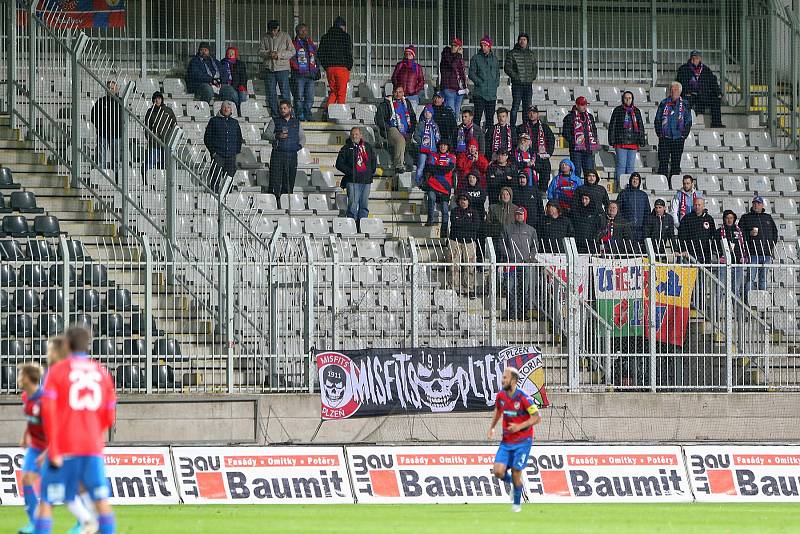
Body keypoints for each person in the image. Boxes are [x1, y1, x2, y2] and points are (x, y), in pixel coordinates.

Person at [36, 327, 117, 534]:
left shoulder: (58, 371)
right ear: (87, 344)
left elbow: (47, 413)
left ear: (66, 345)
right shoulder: (102, 372)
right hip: (92, 447)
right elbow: (109, 417)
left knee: (46, 501)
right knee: (101, 501)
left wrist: (52, 448)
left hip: (64, 447)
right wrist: (90, 431)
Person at [488, 366, 541, 513]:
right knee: (498, 471)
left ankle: (516, 506)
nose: (502, 380)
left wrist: (519, 426)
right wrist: (492, 427)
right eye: (502, 377)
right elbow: (498, 411)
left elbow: (537, 417)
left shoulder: (524, 397)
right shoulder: (501, 396)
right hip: (506, 441)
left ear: (514, 380)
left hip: (523, 441)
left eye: (505, 377)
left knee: (517, 470)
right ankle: (515, 485)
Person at [17, 363, 47, 534]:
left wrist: (47, 452)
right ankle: (34, 523)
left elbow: (55, 428)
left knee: (61, 489)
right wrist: (24, 436)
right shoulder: (26, 397)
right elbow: (31, 420)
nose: (19, 379)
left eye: (21, 375)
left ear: (29, 378)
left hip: (49, 447)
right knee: (26, 479)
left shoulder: (44, 400)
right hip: (35, 446)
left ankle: (85, 519)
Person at [264, 100, 306, 203]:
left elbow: (303, 137)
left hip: (292, 155)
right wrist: (276, 136)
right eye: (281, 108)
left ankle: (286, 203)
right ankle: (274, 202)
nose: (282, 110)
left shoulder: (296, 122)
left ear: (290, 109)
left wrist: (298, 147)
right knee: (275, 179)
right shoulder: (274, 120)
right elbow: (265, 135)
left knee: (289, 179)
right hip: (278, 154)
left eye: (284, 108)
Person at [502, 206, 539, 320]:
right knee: (510, 288)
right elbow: (502, 243)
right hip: (511, 264)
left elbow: (535, 246)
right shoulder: (507, 228)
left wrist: (530, 257)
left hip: (525, 264)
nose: (519, 216)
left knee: (525, 289)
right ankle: (511, 314)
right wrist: (509, 256)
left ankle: (524, 314)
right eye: (517, 214)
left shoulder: (531, 230)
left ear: (525, 216)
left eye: (521, 214)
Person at [335, 127, 377, 225]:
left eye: (356, 134)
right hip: (352, 181)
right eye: (353, 134)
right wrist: (350, 172)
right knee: (352, 206)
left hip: (366, 181)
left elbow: (373, 161)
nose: (354, 136)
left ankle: (363, 226)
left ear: (361, 135)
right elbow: (339, 164)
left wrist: (371, 172)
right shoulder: (346, 148)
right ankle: (351, 226)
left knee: (364, 206)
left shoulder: (368, 147)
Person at [739, 196, 779, 291]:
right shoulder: (746, 217)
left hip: (766, 254)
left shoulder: (768, 217)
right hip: (752, 253)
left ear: (762, 205)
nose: (756, 205)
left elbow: (775, 233)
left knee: (763, 279)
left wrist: (771, 246)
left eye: (758, 203)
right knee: (750, 279)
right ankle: (748, 302)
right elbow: (739, 233)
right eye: (754, 203)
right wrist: (749, 234)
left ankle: (762, 302)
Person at [608, 90, 646, 189]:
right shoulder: (618, 110)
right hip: (621, 142)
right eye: (626, 98)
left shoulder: (636, 111)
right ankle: (620, 186)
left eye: (629, 98)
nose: (628, 100)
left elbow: (640, 126)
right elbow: (613, 125)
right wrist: (611, 140)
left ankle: (630, 186)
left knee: (630, 166)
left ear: (632, 99)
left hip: (633, 142)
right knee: (621, 165)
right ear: (623, 99)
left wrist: (642, 139)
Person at [374, 85, 416, 174]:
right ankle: (398, 165)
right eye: (396, 92)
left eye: (400, 92)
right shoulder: (386, 104)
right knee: (400, 140)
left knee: (410, 152)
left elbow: (412, 117)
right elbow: (378, 119)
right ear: (393, 92)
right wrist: (388, 127)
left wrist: (411, 130)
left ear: (403, 93)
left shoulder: (406, 103)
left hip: (406, 129)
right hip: (391, 128)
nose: (398, 94)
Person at [677, 50, 724, 128]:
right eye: (693, 57)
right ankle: (684, 123)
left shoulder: (705, 69)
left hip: (703, 94)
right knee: (686, 101)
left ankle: (716, 124)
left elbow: (713, 82)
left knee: (715, 100)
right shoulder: (684, 68)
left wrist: (718, 92)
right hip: (690, 95)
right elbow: (681, 81)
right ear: (690, 58)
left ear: (700, 59)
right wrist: (686, 92)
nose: (695, 59)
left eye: (697, 58)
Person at [655, 81, 693, 178]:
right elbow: (657, 119)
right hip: (665, 138)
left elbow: (688, 121)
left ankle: (674, 184)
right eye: (671, 89)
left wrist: (683, 135)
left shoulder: (685, 104)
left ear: (680, 91)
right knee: (663, 162)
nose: (673, 91)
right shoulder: (664, 103)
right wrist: (660, 133)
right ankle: (662, 184)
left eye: (675, 89)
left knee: (676, 164)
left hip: (678, 138)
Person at [204, 100, 243, 192]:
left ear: (231, 110)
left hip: (231, 156)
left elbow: (239, 138)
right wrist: (213, 153)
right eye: (224, 107)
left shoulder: (235, 122)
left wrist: (235, 152)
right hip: (218, 155)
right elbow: (207, 138)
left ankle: (227, 200)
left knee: (228, 181)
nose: (226, 109)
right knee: (215, 179)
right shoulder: (213, 121)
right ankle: (213, 199)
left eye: (228, 108)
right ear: (221, 108)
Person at [258, 20, 294, 118]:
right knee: (271, 93)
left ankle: (288, 114)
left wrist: (279, 55)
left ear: (278, 28)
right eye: (271, 30)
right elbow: (260, 52)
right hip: (269, 68)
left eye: (274, 30)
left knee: (285, 92)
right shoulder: (265, 37)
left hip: (282, 68)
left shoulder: (286, 36)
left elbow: (292, 52)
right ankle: (275, 114)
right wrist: (269, 54)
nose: (273, 32)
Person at [317, 17, 353, 111]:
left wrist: (326, 66)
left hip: (330, 68)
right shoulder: (345, 36)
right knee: (341, 92)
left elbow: (320, 53)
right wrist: (349, 66)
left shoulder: (325, 37)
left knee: (334, 91)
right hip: (342, 68)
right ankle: (340, 113)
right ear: (343, 26)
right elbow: (348, 52)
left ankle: (327, 111)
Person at [421, 140, 456, 237]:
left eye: (445, 145)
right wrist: (441, 169)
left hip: (445, 187)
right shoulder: (433, 155)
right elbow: (430, 167)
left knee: (445, 209)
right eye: (441, 145)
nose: (443, 147)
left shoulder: (452, 157)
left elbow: (449, 168)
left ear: (448, 147)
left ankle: (444, 230)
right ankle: (430, 220)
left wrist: (437, 168)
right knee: (431, 198)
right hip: (433, 184)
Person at [450, 194, 481, 298]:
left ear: (469, 201)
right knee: (455, 264)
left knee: (470, 265)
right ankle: (455, 287)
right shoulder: (454, 211)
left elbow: (476, 226)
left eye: (465, 200)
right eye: (461, 199)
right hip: (455, 240)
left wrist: (462, 224)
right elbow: (454, 223)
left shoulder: (474, 213)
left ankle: (469, 288)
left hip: (469, 241)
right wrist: (467, 224)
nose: (463, 201)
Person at [504, 32, 538, 126]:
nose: (522, 41)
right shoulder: (512, 53)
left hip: (528, 84)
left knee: (527, 108)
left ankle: (526, 127)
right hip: (517, 85)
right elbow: (507, 68)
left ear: (527, 41)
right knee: (515, 107)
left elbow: (535, 68)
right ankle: (512, 128)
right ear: (518, 41)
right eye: (521, 39)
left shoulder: (531, 54)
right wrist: (516, 77)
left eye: (524, 39)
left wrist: (532, 77)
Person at [519, 106, 555, 193]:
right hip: (527, 157)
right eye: (530, 112)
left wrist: (548, 153)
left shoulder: (544, 127)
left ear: (538, 114)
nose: (532, 114)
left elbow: (551, 140)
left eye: (534, 113)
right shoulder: (522, 127)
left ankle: (542, 191)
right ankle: (527, 191)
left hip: (540, 157)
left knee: (546, 167)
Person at [289, 23, 320, 122]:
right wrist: (297, 68)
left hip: (310, 75)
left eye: (305, 30)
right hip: (299, 75)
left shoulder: (310, 43)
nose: (304, 32)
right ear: (297, 31)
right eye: (302, 30)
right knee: (299, 96)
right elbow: (291, 58)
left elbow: (315, 55)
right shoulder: (293, 44)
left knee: (310, 97)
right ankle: (299, 115)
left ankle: (308, 114)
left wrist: (316, 68)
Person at [561, 96, 598, 178]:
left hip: (588, 149)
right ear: (577, 105)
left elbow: (594, 130)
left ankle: (588, 189)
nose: (584, 107)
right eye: (582, 105)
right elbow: (565, 133)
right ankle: (576, 188)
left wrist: (592, 140)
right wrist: (574, 142)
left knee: (589, 171)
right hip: (576, 150)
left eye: (585, 104)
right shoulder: (570, 117)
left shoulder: (590, 117)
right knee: (576, 170)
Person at [469, 35, 500, 128]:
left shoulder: (494, 59)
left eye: (485, 45)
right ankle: (475, 140)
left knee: (490, 119)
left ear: (489, 46)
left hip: (491, 94)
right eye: (482, 45)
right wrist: (479, 83)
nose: (483, 47)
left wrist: (495, 84)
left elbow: (498, 73)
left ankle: (489, 140)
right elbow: (471, 73)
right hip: (479, 93)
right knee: (477, 117)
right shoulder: (476, 58)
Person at [90, 80, 122, 170]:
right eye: (108, 88)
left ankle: (116, 178)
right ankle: (101, 176)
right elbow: (93, 115)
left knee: (116, 158)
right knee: (101, 157)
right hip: (102, 134)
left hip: (116, 134)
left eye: (112, 88)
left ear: (116, 89)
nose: (110, 90)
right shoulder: (101, 101)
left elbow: (125, 118)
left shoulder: (121, 102)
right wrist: (99, 126)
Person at [719, 210, 749, 300]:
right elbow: (714, 246)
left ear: (734, 219)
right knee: (720, 288)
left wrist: (743, 257)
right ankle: (716, 312)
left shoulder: (740, 231)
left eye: (731, 218)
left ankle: (736, 313)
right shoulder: (719, 232)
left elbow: (744, 245)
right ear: (724, 219)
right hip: (724, 264)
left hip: (737, 263)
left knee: (735, 289)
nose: (729, 220)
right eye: (727, 218)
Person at [144, 91, 177, 170]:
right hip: (154, 143)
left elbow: (174, 125)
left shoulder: (168, 111)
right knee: (151, 163)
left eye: (159, 98)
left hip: (166, 142)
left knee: (165, 164)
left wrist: (171, 139)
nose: (157, 100)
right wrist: (150, 138)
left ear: (162, 99)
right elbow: (146, 127)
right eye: (155, 98)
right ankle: (147, 179)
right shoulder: (150, 111)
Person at [678, 197, 717, 264]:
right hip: (691, 252)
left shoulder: (709, 219)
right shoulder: (687, 218)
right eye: (695, 205)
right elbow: (681, 236)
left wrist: (712, 249)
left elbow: (713, 235)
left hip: (706, 253)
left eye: (699, 205)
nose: (697, 207)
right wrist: (684, 249)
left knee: (705, 273)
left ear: (703, 206)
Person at [616, 172, 651, 243]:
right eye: (633, 179)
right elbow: (618, 210)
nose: (635, 181)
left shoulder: (643, 195)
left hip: (640, 229)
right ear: (630, 180)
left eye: (637, 179)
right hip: (627, 228)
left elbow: (647, 211)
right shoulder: (623, 194)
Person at [413, 104, 441, 185]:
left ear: (432, 114)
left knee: (432, 166)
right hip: (423, 150)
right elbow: (415, 135)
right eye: (425, 112)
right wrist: (422, 142)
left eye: (429, 112)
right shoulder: (421, 124)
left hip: (433, 149)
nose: (427, 114)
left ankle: (431, 182)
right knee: (421, 166)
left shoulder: (435, 125)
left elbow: (438, 136)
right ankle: (418, 182)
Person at [439, 37, 468, 116]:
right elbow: (452, 65)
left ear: (459, 47)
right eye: (452, 45)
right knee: (450, 113)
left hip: (459, 89)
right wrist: (458, 55)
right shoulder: (446, 55)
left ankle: (455, 128)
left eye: (455, 46)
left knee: (457, 114)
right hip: (449, 88)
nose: (453, 47)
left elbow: (462, 72)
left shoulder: (459, 58)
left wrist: (465, 87)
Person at [220, 46, 249, 114]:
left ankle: (243, 112)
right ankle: (238, 109)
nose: (230, 55)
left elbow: (244, 77)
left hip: (237, 86)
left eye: (232, 53)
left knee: (242, 93)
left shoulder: (240, 64)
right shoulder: (222, 63)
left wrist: (242, 86)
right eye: (229, 53)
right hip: (226, 86)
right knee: (234, 94)